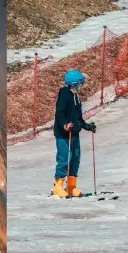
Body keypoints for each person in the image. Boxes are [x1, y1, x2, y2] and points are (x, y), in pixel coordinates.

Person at [52, 70, 96, 198]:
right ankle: (58, 187)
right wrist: (65, 124)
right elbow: (59, 114)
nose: (81, 86)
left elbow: (78, 118)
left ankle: (71, 187)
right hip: (63, 134)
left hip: (74, 133)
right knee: (64, 159)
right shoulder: (65, 95)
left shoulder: (76, 97)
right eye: (80, 83)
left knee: (75, 159)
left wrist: (86, 126)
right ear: (74, 84)